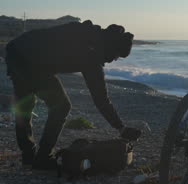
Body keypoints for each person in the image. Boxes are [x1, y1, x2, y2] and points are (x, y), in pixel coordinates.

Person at [5, 20, 141, 171]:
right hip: (29, 60)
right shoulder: (91, 53)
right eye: (117, 56)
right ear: (111, 47)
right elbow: (100, 99)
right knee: (61, 106)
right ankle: (42, 158)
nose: (114, 60)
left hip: (16, 50)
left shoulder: (90, 35)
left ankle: (29, 156)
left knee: (25, 105)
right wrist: (120, 127)